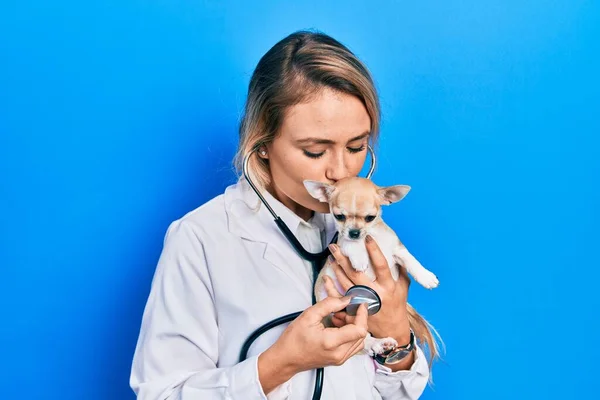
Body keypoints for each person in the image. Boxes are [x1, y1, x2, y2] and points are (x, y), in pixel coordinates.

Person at [130, 30, 440, 400]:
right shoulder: (201, 238)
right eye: (314, 151)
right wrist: (281, 363)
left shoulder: (360, 229)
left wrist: (396, 335)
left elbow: (400, 392)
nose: (341, 171)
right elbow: (161, 394)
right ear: (262, 144)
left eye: (357, 146)